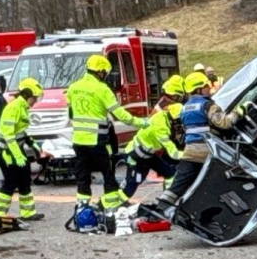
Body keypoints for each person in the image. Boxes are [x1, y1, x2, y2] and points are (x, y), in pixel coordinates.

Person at [149, 71, 239, 216]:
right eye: (206, 86)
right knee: (218, 182)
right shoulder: (208, 105)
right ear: (198, 89)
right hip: (208, 152)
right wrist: (239, 112)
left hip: (190, 152)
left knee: (178, 184)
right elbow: (224, 123)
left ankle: (159, 210)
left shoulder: (184, 108)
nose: (209, 88)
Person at [67, 55, 148, 212]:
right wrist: (142, 123)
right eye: (105, 72)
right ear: (100, 71)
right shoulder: (102, 89)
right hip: (97, 140)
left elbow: (70, 113)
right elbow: (121, 115)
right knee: (108, 173)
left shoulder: (73, 87)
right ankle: (112, 205)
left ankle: (82, 207)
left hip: (78, 140)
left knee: (83, 176)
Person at [0, 78, 46, 222]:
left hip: (15, 150)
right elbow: (8, 135)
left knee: (24, 179)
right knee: (11, 181)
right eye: (34, 98)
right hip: (5, 151)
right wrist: (18, 156)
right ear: (26, 95)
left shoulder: (22, 107)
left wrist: (33, 145)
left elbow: (20, 132)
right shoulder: (13, 108)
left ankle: (28, 213)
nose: (35, 101)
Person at [123, 75, 186, 198]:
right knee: (135, 180)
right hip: (143, 152)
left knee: (166, 173)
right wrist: (189, 154)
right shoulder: (166, 108)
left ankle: (168, 196)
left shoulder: (165, 104)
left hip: (147, 151)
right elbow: (170, 145)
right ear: (175, 94)